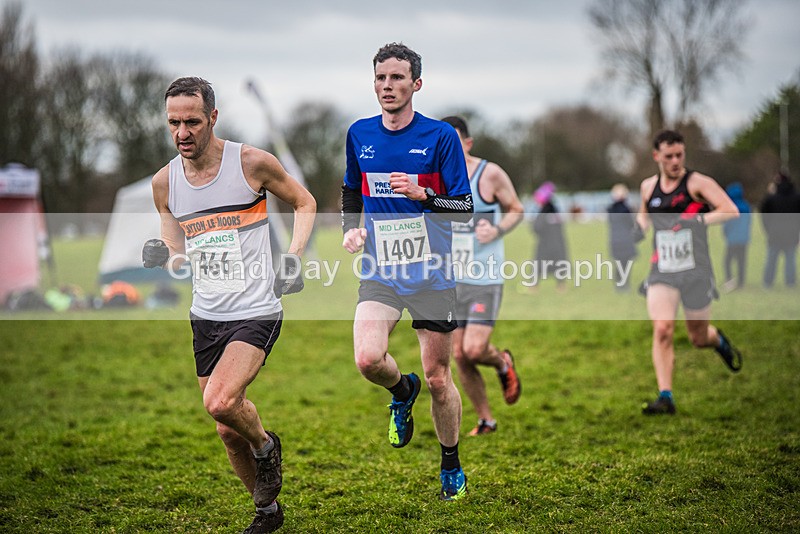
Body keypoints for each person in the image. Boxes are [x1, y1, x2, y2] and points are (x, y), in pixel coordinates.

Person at [142, 77, 316, 533]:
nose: (183, 132)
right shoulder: (164, 183)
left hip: (257, 305)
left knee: (220, 402)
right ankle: (267, 512)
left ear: (212, 118)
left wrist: (293, 258)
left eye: (192, 122)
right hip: (206, 314)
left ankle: (265, 446)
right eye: (174, 123)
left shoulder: (251, 163)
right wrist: (165, 255)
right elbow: (176, 245)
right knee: (224, 427)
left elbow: (305, 201)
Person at [340, 43, 473, 500]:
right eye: (380, 78)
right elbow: (350, 189)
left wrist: (423, 197)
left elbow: (464, 207)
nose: (387, 86)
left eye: (397, 78)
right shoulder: (359, 134)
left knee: (439, 379)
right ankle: (401, 390)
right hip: (381, 270)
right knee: (367, 359)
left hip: (433, 274)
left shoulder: (440, 138)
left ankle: (451, 463)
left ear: (416, 84)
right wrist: (349, 230)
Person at [634, 129, 742, 415]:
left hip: (696, 270)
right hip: (662, 269)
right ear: (656, 156)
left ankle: (717, 340)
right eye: (668, 156)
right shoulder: (648, 187)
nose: (675, 161)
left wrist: (700, 220)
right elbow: (644, 214)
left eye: (679, 155)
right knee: (662, 328)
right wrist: (639, 228)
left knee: (697, 337)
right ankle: (665, 396)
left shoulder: (697, 183)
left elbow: (731, 211)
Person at [439, 115, 524, 437]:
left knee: (474, 350)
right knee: (459, 355)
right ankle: (486, 420)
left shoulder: (489, 174)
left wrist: (498, 229)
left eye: (455, 143)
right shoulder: (437, 179)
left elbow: (516, 208)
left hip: (484, 277)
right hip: (450, 279)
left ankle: (502, 362)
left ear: (468, 143)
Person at [760, 172, 800, 288]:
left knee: (771, 259)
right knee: (790, 260)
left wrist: (768, 229)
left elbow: (764, 214)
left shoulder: (771, 198)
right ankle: (790, 282)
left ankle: (768, 282)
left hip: (775, 233)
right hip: (791, 234)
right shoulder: (797, 197)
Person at [531, 181, 568, 290]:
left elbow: (536, 228)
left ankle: (534, 286)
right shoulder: (555, 211)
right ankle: (561, 286)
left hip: (545, 244)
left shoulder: (543, 211)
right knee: (559, 264)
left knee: (538, 265)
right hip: (557, 243)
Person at [607, 183, 638, 291]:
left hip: (614, 240)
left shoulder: (610, 209)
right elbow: (631, 224)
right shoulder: (626, 209)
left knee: (619, 264)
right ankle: (624, 285)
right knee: (626, 265)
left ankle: (619, 284)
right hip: (626, 240)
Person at [722, 182, 752, 291]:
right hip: (744, 239)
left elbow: (727, 224)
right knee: (741, 261)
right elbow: (748, 222)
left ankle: (729, 280)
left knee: (728, 261)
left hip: (732, 239)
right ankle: (741, 283)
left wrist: (726, 233)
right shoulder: (746, 206)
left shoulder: (730, 207)